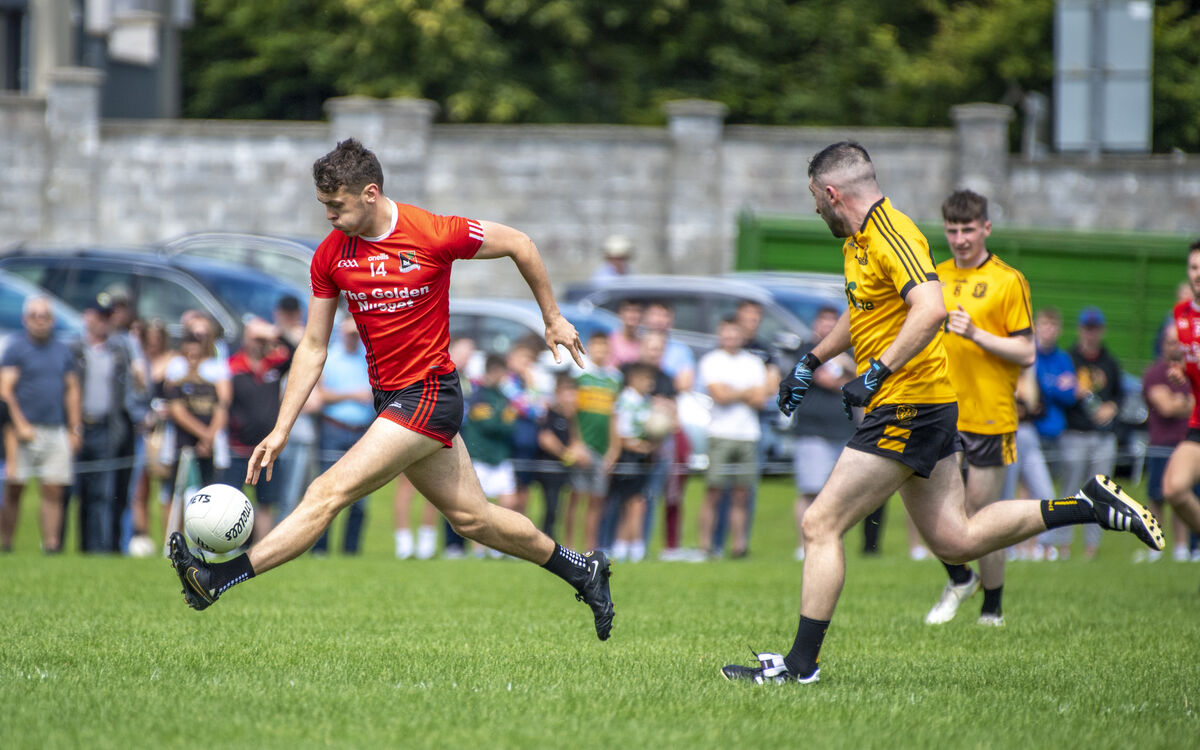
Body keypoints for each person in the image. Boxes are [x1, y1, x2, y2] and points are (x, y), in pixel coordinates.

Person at [720, 141, 1162, 685]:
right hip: (921, 404)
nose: (815, 209)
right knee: (956, 538)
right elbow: (863, 316)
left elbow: (929, 307)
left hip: (908, 404)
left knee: (819, 523)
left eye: (815, 198)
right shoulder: (858, 241)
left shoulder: (891, 232)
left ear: (832, 193)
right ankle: (1087, 504)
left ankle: (799, 666)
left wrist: (876, 372)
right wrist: (811, 361)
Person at [167, 138, 613, 642]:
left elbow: (521, 244)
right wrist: (281, 427)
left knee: (325, 493)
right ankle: (582, 569)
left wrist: (552, 317)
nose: (329, 217)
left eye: (336, 206)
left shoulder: (433, 232)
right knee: (473, 519)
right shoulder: (330, 256)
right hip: (392, 401)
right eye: (323, 206)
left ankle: (216, 579)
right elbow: (313, 346)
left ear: (370, 194)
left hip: (429, 393)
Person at [923, 189, 1034, 627]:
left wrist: (976, 334)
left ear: (986, 228)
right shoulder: (935, 274)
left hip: (990, 414)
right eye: (952, 230)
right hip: (940, 409)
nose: (960, 238)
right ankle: (960, 577)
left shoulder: (1009, 280)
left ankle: (992, 607)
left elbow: (1026, 352)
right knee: (929, 507)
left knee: (978, 516)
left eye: (968, 229)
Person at [0, 296, 81, 553]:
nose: (40, 321)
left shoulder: (62, 350)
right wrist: (20, 424)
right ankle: (6, 543)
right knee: (15, 486)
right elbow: (5, 389)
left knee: (54, 488)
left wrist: (74, 427)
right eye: (35, 316)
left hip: (55, 427)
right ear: (26, 320)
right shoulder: (15, 348)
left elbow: (72, 390)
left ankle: (51, 546)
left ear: (52, 320)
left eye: (44, 316)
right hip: (22, 429)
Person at [789, 306, 856, 562]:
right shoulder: (806, 349)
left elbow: (863, 377)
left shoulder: (847, 350)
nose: (827, 326)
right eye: (823, 321)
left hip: (842, 428)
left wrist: (845, 364)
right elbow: (823, 379)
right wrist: (846, 383)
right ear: (816, 323)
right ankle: (802, 544)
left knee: (838, 492)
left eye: (833, 322)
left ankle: (831, 540)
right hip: (812, 430)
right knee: (810, 489)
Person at [697, 318, 768, 558]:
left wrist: (733, 391)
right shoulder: (712, 361)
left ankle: (739, 546)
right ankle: (705, 545)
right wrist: (745, 392)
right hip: (720, 433)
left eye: (734, 333)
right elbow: (719, 395)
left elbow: (761, 399)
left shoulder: (754, 362)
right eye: (726, 334)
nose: (730, 338)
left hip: (748, 434)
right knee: (714, 490)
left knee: (741, 493)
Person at [1060, 306, 1124, 559]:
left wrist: (1112, 407)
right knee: (1069, 489)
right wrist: (1070, 391)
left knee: (1101, 492)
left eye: (1095, 328)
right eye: (1087, 328)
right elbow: (1059, 392)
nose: (1091, 333)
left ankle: (1091, 549)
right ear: (1079, 330)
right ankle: (1062, 546)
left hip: (1103, 436)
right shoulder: (1068, 358)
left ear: (1102, 330)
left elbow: (1120, 394)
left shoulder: (1110, 361)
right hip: (1074, 432)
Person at [70, 301, 132, 553]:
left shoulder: (118, 352)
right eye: (99, 316)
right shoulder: (74, 350)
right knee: (74, 493)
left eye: (107, 317)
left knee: (102, 495)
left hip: (105, 428)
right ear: (87, 317)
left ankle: (98, 549)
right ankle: (66, 548)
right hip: (78, 427)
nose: (104, 322)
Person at [223, 318, 293, 540]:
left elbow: (297, 352)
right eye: (254, 338)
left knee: (266, 503)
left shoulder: (273, 363)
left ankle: (260, 550)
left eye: (261, 339)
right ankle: (228, 547)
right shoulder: (233, 365)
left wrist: (274, 332)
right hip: (237, 447)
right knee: (230, 503)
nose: (258, 343)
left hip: (267, 450)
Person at [313, 317, 375, 555]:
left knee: (360, 493)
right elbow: (321, 395)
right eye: (349, 333)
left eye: (356, 333)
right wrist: (352, 395)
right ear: (341, 333)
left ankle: (351, 549)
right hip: (334, 428)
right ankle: (321, 547)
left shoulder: (367, 359)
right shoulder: (330, 358)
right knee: (328, 488)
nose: (353, 338)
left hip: (362, 431)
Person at [1160, 239, 1200, 581]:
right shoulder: (1181, 313)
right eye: (1193, 268)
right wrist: (1183, 372)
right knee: (1174, 488)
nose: (1198, 274)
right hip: (1197, 422)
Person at [1142, 321, 1195, 562]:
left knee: (1181, 495)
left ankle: (1182, 548)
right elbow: (1166, 407)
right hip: (1161, 443)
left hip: (1188, 442)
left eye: (1178, 342)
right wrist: (1187, 402)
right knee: (1157, 496)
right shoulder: (1155, 373)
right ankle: (1155, 544)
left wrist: (1180, 402)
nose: (1173, 346)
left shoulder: (1192, 372)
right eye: (1169, 341)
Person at [1030, 307, 1079, 560]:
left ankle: (1048, 542)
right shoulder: (1030, 354)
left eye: (1052, 326)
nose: (1048, 330)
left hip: (1056, 432)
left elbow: (1071, 394)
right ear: (1036, 326)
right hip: (1033, 432)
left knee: (1053, 489)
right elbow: (1033, 390)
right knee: (1030, 489)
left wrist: (1049, 387)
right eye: (1044, 325)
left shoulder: (1063, 358)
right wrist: (1053, 385)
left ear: (1058, 329)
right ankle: (1029, 545)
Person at [571, 331, 622, 551]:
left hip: (603, 450)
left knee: (596, 501)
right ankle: (570, 547)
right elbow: (572, 413)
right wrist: (577, 443)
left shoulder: (615, 379)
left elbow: (615, 417)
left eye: (605, 347)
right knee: (575, 499)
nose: (601, 351)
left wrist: (614, 450)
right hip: (584, 448)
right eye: (597, 346)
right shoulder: (580, 375)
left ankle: (590, 549)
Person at [536, 374, 592, 539]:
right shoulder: (549, 412)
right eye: (567, 392)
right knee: (551, 507)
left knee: (558, 508)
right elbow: (545, 438)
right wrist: (567, 455)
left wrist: (580, 452)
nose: (571, 397)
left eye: (573, 392)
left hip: (562, 469)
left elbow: (575, 439)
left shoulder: (570, 416)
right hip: (548, 468)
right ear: (557, 392)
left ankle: (551, 542)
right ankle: (545, 540)